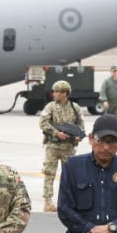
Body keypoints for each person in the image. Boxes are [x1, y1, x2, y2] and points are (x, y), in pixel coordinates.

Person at [37, 79, 85, 213]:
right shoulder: (50, 107)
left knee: (69, 175)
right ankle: (48, 202)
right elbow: (43, 122)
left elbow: (81, 125)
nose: (55, 94)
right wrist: (56, 133)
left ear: (65, 93)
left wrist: (78, 136)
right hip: (53, 145)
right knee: (49, 173)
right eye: (54, 91)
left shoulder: (75, 108)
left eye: (58, 92)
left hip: (68, 147)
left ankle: (67, 202)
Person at [100, 65, 117, 139]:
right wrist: (104, 100)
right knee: (108, 119)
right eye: (113, 71)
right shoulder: (106, 81)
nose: (114, 73)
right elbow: (103, 91)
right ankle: (106, 133)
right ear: (110, 72)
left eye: (116, 71)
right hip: (109, 103)